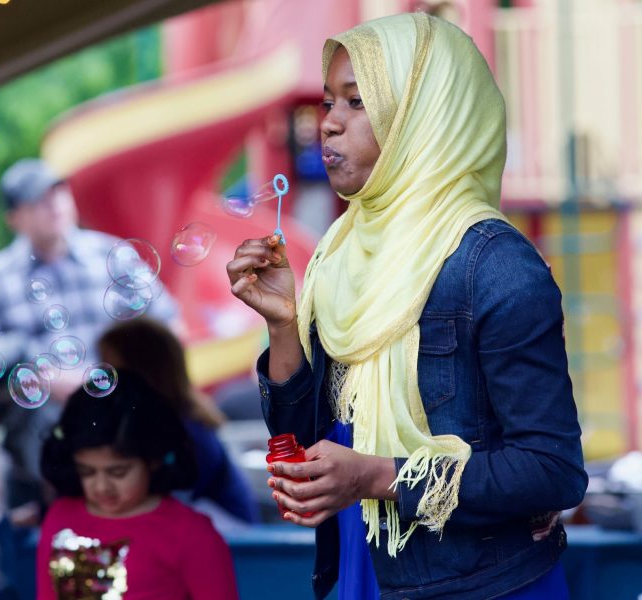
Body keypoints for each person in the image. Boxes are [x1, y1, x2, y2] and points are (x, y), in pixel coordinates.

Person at [227, 12, 587, 600]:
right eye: (328, 102)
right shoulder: (338, 257)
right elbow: (309, 439)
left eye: (357, 102)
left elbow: (553, 471)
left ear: (424, 116)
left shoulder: (493, 265)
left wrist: (376, 476)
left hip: (481, 586)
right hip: (362, 571)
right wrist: (285, 326)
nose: (329, 125)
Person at [0, 158, 181, 518]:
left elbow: (168, 328)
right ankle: (57, 511)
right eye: (37, 200)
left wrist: (113, 379)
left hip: (124, 421)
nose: (54, 205)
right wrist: (35, 368)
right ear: (14, 218)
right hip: (43, 441)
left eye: (58, 193)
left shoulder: (112, 256)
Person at [37, 370, 239, 600]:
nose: (101, 487)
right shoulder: (60, 516)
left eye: (118, 472)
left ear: (153, 460)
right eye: (87, 471)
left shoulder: (191, 534)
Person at [99, 318, 261, 524]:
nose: (104, 379)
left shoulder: (189, 428)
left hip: (232, 537)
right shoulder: (163, 421)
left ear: (143, 373)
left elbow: (177, 499)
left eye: (112, 370)